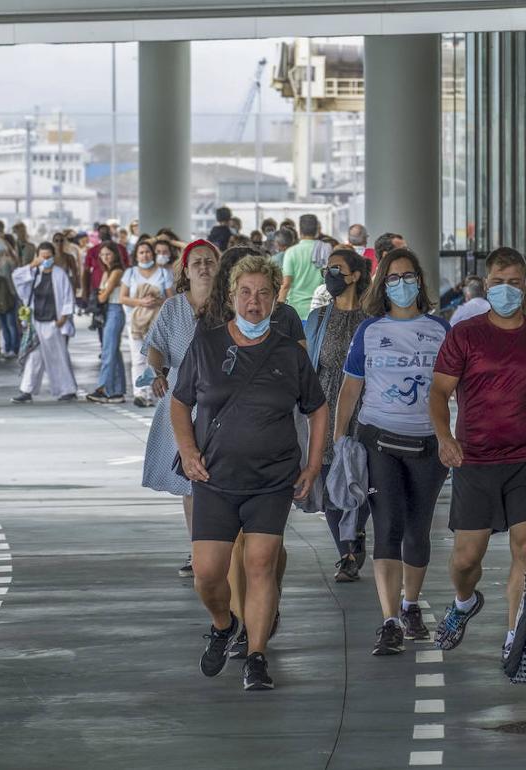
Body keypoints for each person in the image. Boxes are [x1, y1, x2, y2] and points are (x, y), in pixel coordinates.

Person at [171, 254, 328, 691]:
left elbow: (317, 409)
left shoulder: (288, 353)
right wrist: (186, 449)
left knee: (260, 563)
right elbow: (180, 401)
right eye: (245, 292)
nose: (253, 302)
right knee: (207, 573)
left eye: (262, 293)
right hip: (214, 478)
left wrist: (312, 465)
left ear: (276, 296)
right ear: (231, 295)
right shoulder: (207, 345)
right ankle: (224, 625)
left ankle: (256, 656)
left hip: (272, 479)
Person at [429, 247, 526, 656]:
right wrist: (444, 437)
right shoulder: (465, 335)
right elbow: (438, 391)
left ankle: (514, 637)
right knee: (467, 558)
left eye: (515, 283)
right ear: (487, 286)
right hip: (475, 460)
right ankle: (464, 601)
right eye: (499, 283)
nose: (507, 290)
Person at [333, 248, 451, 655]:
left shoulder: (440, 329)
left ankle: (410, 604)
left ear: (420, 280)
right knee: (388, 527)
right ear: (383, 285)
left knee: (418, 532)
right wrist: (339, 440)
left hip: (427, 443)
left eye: (408, 276)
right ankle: (389, 621)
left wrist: (457, 436)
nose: (402, 284)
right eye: (394, 278)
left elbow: (458, 387)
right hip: (377, 439)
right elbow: (350, 388)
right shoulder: (368, 330)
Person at [145, 240, 221, 577]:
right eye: (196, 263)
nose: (203, 267)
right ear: (186, 271)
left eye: (209, 261)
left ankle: (221, 548)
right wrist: (158, 372)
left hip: (222, 403)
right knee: (190, 480)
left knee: (218, 480)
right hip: (181, 402)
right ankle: (197, 551)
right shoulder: (173, 308)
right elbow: (155, 347)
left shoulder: (228, 305)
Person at [304, 248, 372, 582]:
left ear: (355, 276)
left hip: (367, 408)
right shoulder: (317, 318)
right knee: (332, 480)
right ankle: (345, 552)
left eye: (337, 269)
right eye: (327, 268)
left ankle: (357, 530)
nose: (329, 275)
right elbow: (308, 363)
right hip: (326, 408)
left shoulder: (373, 319)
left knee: (365, 477)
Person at [12, 243, 79, 403]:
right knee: (34, 357)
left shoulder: (59, 274)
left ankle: (67, 390)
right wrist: (32, 265)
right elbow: (16, 277)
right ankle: (26, 390)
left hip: (54, 322)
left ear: (54, 256)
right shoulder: (34, 272)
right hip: (36, 321)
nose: (46, 259)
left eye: (49, 256)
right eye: (43, 256)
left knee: (58, 356)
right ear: (37, 256)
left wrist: (64, 317)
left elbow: (68, 296)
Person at [121, 239, 174, 407]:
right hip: (135, 322)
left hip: (157, 322)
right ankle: (140, 393)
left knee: (154, 359)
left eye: (148, 252)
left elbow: (170, 297)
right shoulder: (130, 273)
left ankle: (152, 393)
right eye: (141, 252)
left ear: (153, 254)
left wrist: (158, 302)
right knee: (137, 358)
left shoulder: (164, 273)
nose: (145, 255)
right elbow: (122, 297)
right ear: (136, 255)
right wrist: (140, 302)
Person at [86, 242, 127, 404]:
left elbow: (102, 296)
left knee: (108, 352)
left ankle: (103, 388)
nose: (105, 258)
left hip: (115, 311)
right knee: (113, 352)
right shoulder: (106, 272)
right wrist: (101, 294)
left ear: (115, 255)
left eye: (108, 254)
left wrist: (100, 294)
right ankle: (117, 391)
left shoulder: (117, 271)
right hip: (107, 312)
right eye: (102, 255)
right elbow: (101, 294)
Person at [279, 213, 330, 320]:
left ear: (299, 231)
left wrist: (278, 309)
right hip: (321, 308)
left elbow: (286, 284)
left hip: (296, 310)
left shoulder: (291, 252)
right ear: (317, 230)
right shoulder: (326, 249)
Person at [0, 236, 22, 359]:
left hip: (8, 294)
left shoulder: (9, 260)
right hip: (2, 295)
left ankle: (13, 348)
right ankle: (9, 347)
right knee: (6, 323)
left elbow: (12, 278)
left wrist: (14, 293)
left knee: (9, 323)